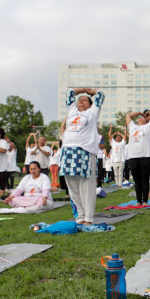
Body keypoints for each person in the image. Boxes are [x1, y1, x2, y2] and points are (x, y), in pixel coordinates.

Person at [60, 88, 104, 225]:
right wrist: (84, 90)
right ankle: (79, 216)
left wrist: (91, 91)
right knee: (72, 185)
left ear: (91, 104)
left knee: (87, 185)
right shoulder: (72, 111)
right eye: (80, 99)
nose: (81, 101)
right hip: (68, 150)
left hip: (85, 150)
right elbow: (69, 93)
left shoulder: (92, 112)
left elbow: (101, 94)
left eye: (85, 100)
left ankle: (89, 218)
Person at [125, 110, 150, 205]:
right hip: (133, 157)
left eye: (142, 118)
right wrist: (138, 112)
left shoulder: (148, 127)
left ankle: (145, 201)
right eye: (139, 117)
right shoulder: (132, 127)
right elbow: (128, 116)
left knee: (144, 179)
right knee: (136, 180)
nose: (140, 118)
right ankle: (139, 201)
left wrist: (147, 112)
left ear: (146, 121)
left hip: (145, 156)